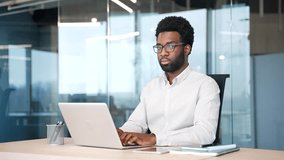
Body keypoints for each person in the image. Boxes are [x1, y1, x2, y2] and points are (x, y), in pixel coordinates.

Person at [117, 16, 220, 146]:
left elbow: (205, 133)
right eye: (159, 47)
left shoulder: (205, 85)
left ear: (186, 49)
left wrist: (155, 139)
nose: (163, 53)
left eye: (170, 46)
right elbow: (137, 124)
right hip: (151, 155)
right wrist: (121, 133)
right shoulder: (151, 87)